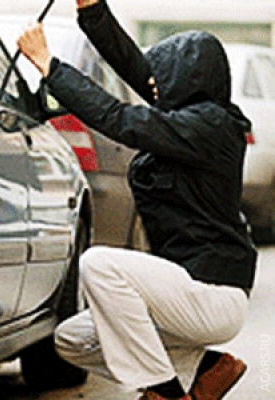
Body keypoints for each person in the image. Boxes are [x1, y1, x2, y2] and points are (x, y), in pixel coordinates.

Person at [17, 1, 257, 399]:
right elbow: (137, 70)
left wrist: (50, 66)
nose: (153, 86)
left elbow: (119, 119)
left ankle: (166, 393)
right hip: (179, 292)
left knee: (99, 264)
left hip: (211, 292)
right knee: (73, 339)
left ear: (186, 80)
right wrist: (92, 10)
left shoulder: (210, 127)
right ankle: (205, 366)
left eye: (163, 78)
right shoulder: (187, 119)